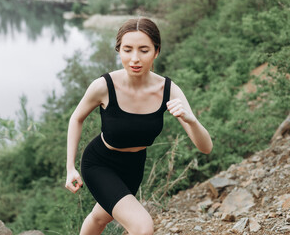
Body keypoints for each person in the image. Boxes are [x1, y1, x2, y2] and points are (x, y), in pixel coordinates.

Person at [65, 17, 213, 235]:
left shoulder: (168, 90)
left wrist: (191, 119)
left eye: (144, 50)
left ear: (156, 51)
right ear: (119, 51)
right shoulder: (104, 86)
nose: (135, 58)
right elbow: (76, 118)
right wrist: (70, 168)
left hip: (134, 168)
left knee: (99, 218)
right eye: (127, 50)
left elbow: (206, 148)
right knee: (142, 227)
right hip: (99, 163)